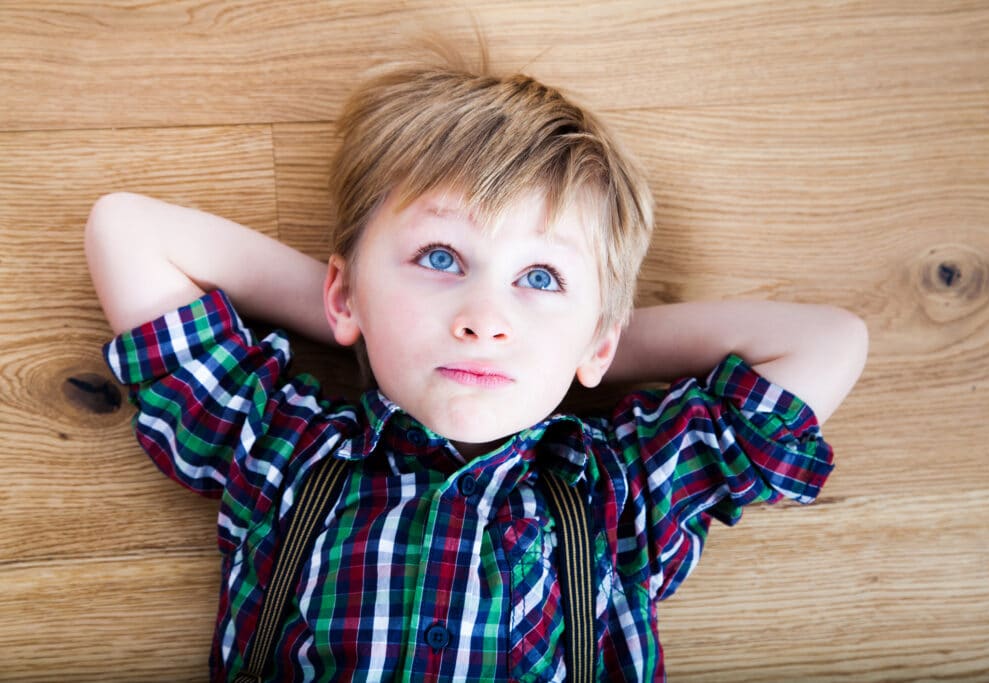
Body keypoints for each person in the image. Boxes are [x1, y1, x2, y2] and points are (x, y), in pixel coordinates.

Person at [85, 41, 868, 683]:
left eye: (539, 278)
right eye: (438, 256)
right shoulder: (283, 452)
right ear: (344, 293)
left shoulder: (619, 494)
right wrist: (354, 303)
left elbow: (828, 342)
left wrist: (582, 343)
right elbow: (127, 231)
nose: (485, 320)